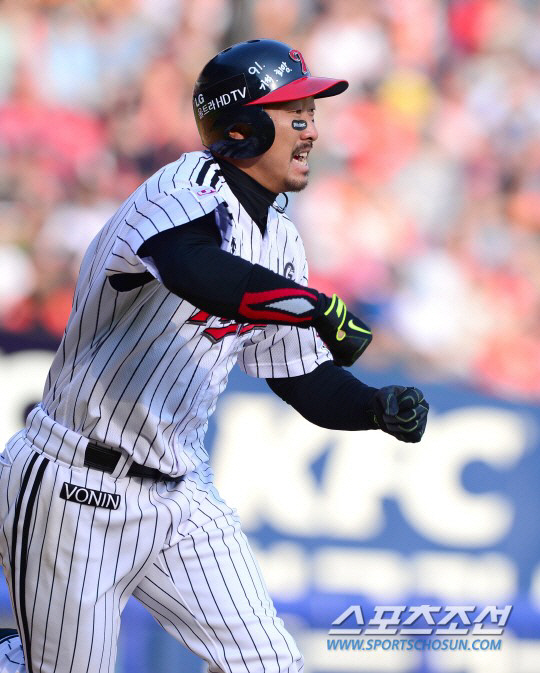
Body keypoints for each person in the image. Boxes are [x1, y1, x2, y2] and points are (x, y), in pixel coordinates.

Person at [0, 39, 428, 673]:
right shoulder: (183, 186)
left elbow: (303, 378)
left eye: (311, 115)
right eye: (295, 115)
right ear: (243, 125)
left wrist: (374, 407)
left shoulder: (281, 239)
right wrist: (312, 305)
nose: (312, 131)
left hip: (181, 493)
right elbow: (192, 268)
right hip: (76, 483)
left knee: (271, 666)